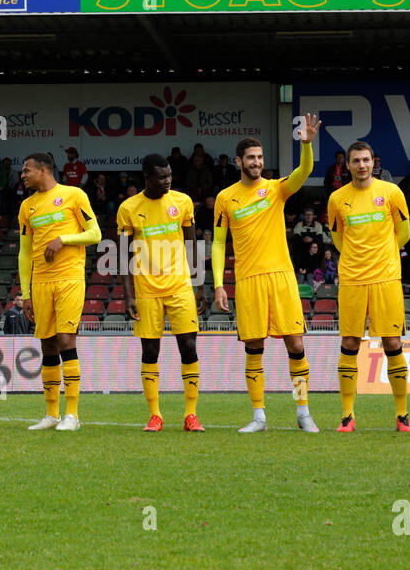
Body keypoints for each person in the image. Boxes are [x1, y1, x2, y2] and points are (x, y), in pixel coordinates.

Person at [212, 114, 320, 433]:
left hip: (281, 277)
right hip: (248, 280)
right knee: (254, 347)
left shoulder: (276, 190)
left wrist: (306, 145)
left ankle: (303, 411)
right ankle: (258, 415)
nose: (257, 162)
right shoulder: (225, 198)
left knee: (296, 346)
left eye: (260, 157)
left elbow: (304, 172)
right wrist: (219, 285)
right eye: (251, 158)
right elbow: (218, 244)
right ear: (239, 162)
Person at [117, 153, 209, 433]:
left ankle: (191, 415)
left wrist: (199, 284)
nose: (168, 180)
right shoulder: (129, 208)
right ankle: (155, 415)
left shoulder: (181, 202)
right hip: (146, 292)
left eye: (169, 175)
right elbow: (122, 255)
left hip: (180, 287)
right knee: (150, 351)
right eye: (162, 176)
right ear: (147, 176)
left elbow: (192, 245)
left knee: (189, 348)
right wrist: (128, 294)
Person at [327, 140, 410, 433]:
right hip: (352, 280)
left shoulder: (391, 193)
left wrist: (383, 256)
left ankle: (402, 416)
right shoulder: (337, 198)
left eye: (366, 160)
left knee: (392, 343)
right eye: (356, 161)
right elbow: (338, 237)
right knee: (350, 343)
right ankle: (347, 416)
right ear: (347, 165)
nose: (362, 166)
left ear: (373, 163)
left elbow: (405, 233)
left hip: (386, 279)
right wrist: (354, 256)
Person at [17, 152, 101, 431]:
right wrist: (25, 293)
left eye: (27, 170)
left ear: (43, 170)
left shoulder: (74, 195)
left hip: (69, 279)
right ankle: (52, 414)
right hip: (40, 282)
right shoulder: (27, 206)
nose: (23, 174)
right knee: (47, 344)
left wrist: (62, 239)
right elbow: (25, 251)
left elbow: (95, 234)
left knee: (66, 340)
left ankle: (73, 415)